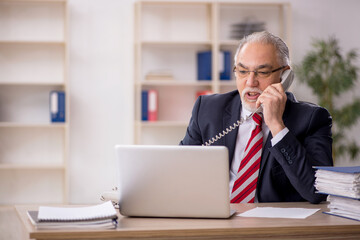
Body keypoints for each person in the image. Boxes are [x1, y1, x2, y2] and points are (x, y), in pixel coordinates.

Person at [180, 31, 333, 204]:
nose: (250, 82)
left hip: (273, 225)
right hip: (217, 219)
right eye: (243, 71)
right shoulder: (207, 109)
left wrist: (277, 126)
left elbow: (316, 191)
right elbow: (180, 171)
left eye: (262, 72)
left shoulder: (313, 119)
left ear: (284, 76)